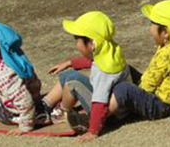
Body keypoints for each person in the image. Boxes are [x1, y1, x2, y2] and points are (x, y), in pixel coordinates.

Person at [40, 11, 128, 143]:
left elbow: (100, 102)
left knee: (73, 82)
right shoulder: (110, 51)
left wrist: (93, 132)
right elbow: (92, 60)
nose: (76, 45)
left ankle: (62, 113)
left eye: (77, 40)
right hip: (112, 106)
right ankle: (44, 105)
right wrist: (69, 63)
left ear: (92, 43)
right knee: (67, 74)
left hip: (110, 114)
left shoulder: (104, 71)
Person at [104, 0, 170, 121]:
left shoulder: (168, 54)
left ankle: (103, 116)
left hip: (161, 105)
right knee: (126, 69)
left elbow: (148, 85)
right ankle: (112, 101)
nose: (150, 29)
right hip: (157, 96)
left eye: (152, 24)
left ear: (165, 32)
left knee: (124, 89)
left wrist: (134, 92)